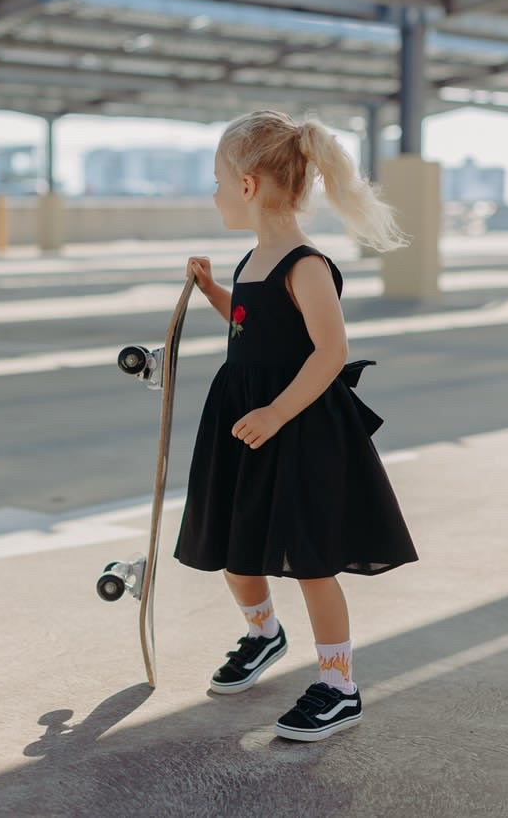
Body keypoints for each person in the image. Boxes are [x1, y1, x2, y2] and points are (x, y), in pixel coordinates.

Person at [174, 109, 418, 742]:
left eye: (219, 180)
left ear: (249, 185)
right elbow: (254, 324)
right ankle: (263, 634)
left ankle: (340, 686)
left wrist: (278, 412)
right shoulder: (252, 259)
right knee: (233, 541)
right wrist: (210, 293)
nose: (216, 193)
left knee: (310, 560)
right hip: (245, 418)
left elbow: (329, 352)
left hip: (297, 423)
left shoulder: (306, 264)